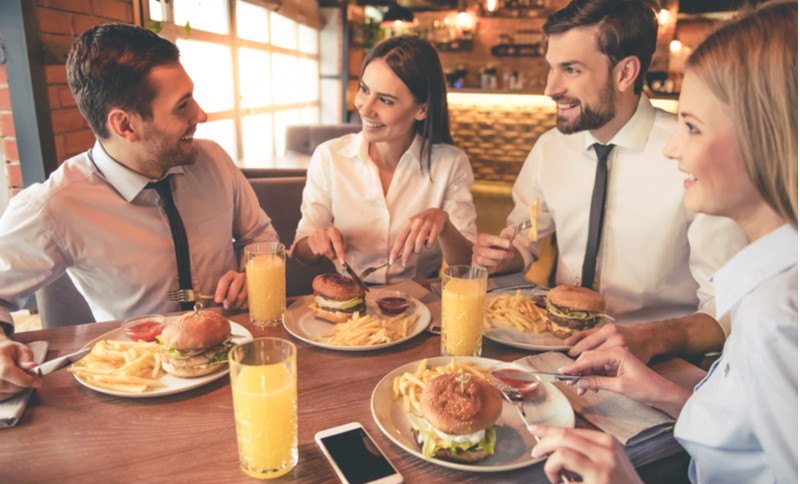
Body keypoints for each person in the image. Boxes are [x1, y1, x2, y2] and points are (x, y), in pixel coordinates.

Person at [531, 2, 797, 484]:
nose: (672, 147)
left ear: (766, 137)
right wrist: (664, 393)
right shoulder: (768, 290)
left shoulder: (776, 317)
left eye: (691, 126)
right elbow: (749, 438)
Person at [0, 24, 277, 398]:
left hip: (242, 366)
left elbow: (260, 236)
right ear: (125, 125)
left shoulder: (214, 160)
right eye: (182, 105)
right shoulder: (54, 205)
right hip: (139, 392)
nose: (202, 115)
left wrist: (250, 271)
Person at [471, 0, 747, 363]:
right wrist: (505, 256)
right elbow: (525, 239)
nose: (550, 88)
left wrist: (654, 337)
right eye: (551, 68)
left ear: (625, 73)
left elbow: (730, 304)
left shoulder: (692, 156)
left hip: (658, 362)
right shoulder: (550, 148)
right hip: (554, 347)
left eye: (571, 69)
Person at [290, 35, 477, 283]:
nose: (365, 109)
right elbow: (301, 253)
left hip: (422, 297)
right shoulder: (329, 157)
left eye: (386, 100)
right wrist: (315, 242)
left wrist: (445, 225)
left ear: (422, 109)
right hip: (351, 296)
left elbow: (466, 265)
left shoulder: (451, 164)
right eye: (365, 90)